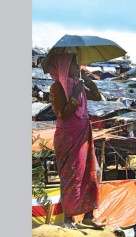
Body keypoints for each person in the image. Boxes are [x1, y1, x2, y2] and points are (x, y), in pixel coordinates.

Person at [48, 53, 104, 229]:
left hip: (84, 134)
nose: (77, 67)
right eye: (74, 64)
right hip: (68, 138)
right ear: (64, 66)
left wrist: (86, 79)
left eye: (78, 64)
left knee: (92, 171)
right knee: (72, 174)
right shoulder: (58, 88)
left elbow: (97, 95)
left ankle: (88, 215)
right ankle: (68, 219)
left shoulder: (76, 84)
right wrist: (76, 94)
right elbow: (62, 114)